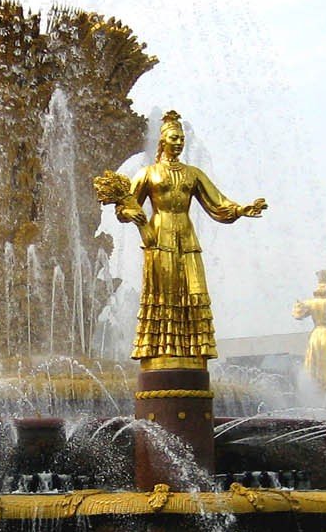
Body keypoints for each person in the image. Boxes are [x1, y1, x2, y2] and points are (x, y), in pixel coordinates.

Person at [98, 110, 265, 362]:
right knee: (164, 292)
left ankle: (193, 349)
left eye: (181, 139)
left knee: (193, 288)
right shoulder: (148, 173)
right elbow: (125, 205)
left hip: (186, 237)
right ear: (163, 141)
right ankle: (160, 349)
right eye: (174, 138)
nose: (178, 143)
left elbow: (217, 202)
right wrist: (129, 214)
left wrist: (242, 209)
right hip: (158, 237)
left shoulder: (193, 173)